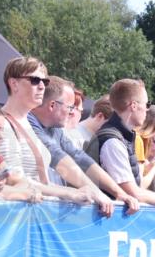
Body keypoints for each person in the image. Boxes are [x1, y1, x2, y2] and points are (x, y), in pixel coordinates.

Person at [28, 76, 140, 216]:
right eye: (69, 107)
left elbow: (80, 157)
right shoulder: (29, 124)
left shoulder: (55, 128)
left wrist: (120, 193)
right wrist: (97, 193)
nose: (71, 112)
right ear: (52, 105)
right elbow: (58, 157)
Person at [0, 57, 93, 207]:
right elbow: (14, 179)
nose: (42, 86)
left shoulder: (28, 123)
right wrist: (68, 193)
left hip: (36, 211)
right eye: (35, 80)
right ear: (13, 83)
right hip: (16, 216)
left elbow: (42, 181)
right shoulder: (1, 123)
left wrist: (87, 191)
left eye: (45, 81)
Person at [86, 78, 155, 213]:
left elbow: (136, 187)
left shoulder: (123, 137)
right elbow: (133, 193)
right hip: (104, 224)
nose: (147, 110)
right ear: (133, 106)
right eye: (147, 104)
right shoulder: (112, 141)